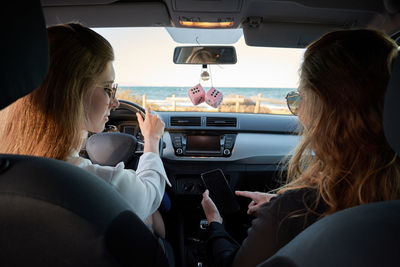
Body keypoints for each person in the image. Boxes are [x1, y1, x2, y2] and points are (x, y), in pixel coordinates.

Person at [201, 29, 400, 267]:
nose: (299, 113)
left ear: (324, 111)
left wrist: (215, 222)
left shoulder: (291, 212)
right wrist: (276, 202)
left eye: (299, 99)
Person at [0, 23, 170, 228]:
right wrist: (152, 140)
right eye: (108, 89)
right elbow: (149, 195)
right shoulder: (93, 184)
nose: (115, 102)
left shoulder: (10, 169)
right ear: (72, 93)